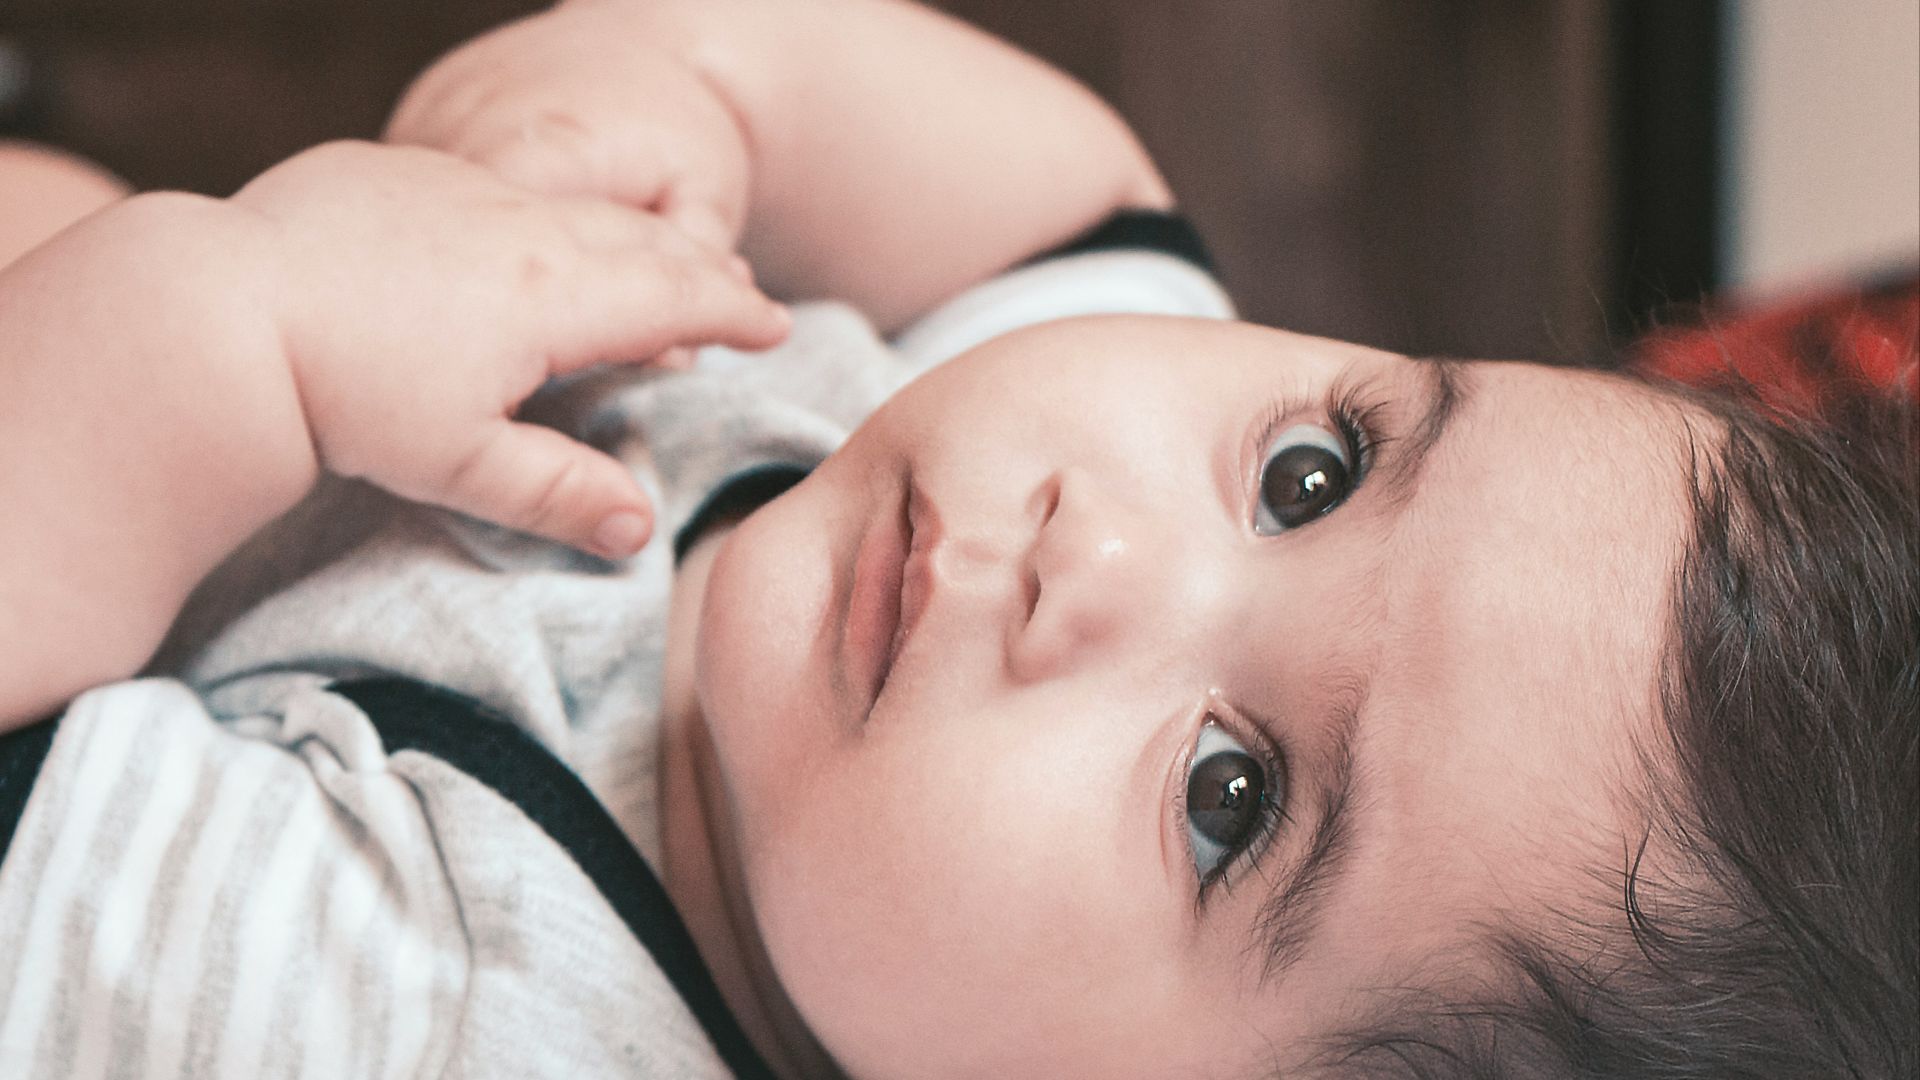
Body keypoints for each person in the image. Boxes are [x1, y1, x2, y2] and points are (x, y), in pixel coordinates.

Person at [0, 1, 1912, 1077]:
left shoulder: (443, 1016)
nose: (1105, 556)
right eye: (1321, 471)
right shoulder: (1021, 521)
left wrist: (224, 335)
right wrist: (684, 91)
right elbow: (1056, 196)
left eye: (1231, 801)